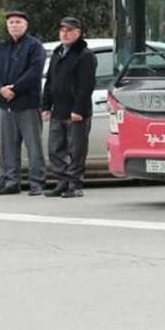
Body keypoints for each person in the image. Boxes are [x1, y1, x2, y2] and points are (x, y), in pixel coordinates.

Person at [0, 10, 46, 195]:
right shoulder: (1, 47)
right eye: (11, 22)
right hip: (6, 105)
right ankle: (11, 181)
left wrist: (15, 89)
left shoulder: (35, 46)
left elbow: (35, 72)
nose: (14, 25)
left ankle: (37, 182)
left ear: (26, 25)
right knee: (8, 146)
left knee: (33, 146)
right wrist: (1, 89)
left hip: (28, 103)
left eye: (18, 22)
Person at [41, 17, 98, 198]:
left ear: (78, 32)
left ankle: (75, 184)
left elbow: (86, 85)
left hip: (76, 112)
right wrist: (46, 105)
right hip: (58, 110)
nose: (64, 33)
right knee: (55, 149)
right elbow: (50, 81)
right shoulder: (58, 52)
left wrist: (78, 110)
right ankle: (62, 182)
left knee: (76, 150)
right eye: (62, 30)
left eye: (69, 30)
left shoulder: (85, 55)